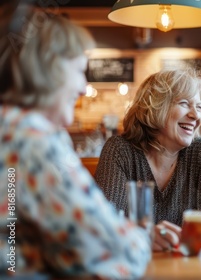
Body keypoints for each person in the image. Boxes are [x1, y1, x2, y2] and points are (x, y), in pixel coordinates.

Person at [0, 4, 150, 278]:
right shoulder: (34, 140)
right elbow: (116, 255)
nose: (83, 87)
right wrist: (141, 239)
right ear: (47, 69)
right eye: (80, 70)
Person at [95, 68, 201, 251]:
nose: (196, 116)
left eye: (198, 107)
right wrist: (143, 237)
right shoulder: (120, 150)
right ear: (155, 106)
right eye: (184, 103)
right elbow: (101, 225)